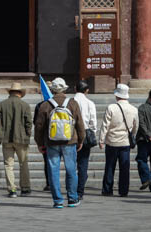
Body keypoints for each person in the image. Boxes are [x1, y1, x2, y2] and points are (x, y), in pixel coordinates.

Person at [34, 77, 85, 209]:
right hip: (70, 141)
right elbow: (80, 123)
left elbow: (39, 126)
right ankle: (73, 198)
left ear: (53, 90)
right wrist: (81, 139)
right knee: (71, 170)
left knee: (53, 171)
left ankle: (58, 200)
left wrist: (39, 143)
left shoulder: (45, 105)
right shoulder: (73, 103)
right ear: (64, 89)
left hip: (51, 142)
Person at [98, 83, 139, 197]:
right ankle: (123, 190)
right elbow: (135, 127)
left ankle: (107, 189)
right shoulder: (134, 109)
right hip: (125, 141)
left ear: (117, 96)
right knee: (124, 168)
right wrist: (132, 136)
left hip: (112, 141)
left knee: (110, 166)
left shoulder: (111, 108)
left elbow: (105, 125)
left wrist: (101, 140)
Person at [0, 81, 33, 198]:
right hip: (22, 139)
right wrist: (27, 135)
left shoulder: (1, 105)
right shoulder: (25, 105)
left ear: (10, 92)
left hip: (6, 139)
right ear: (20, 93)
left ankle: (12, 189)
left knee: (8, 165)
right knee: (23, 164)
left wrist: (0, 134)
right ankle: (25, 188)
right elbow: (29, 123)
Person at [72, 79, 97, 198]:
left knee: (71, 163)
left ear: (75, 89)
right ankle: (80, 190)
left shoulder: (70, 102)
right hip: (86, 132)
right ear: (87, 91)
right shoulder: (90, 103)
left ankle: (71, 188)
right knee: (83, 163)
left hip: (71, 133)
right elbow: (93, 123)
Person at [33, 99, 53, 191]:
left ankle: (49, 183)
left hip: (45, 138)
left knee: (47, 161)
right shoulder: (60, 103)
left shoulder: (40, 105)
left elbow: (36, 123)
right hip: (59, 136)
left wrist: (39, 141)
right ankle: (54, 183)